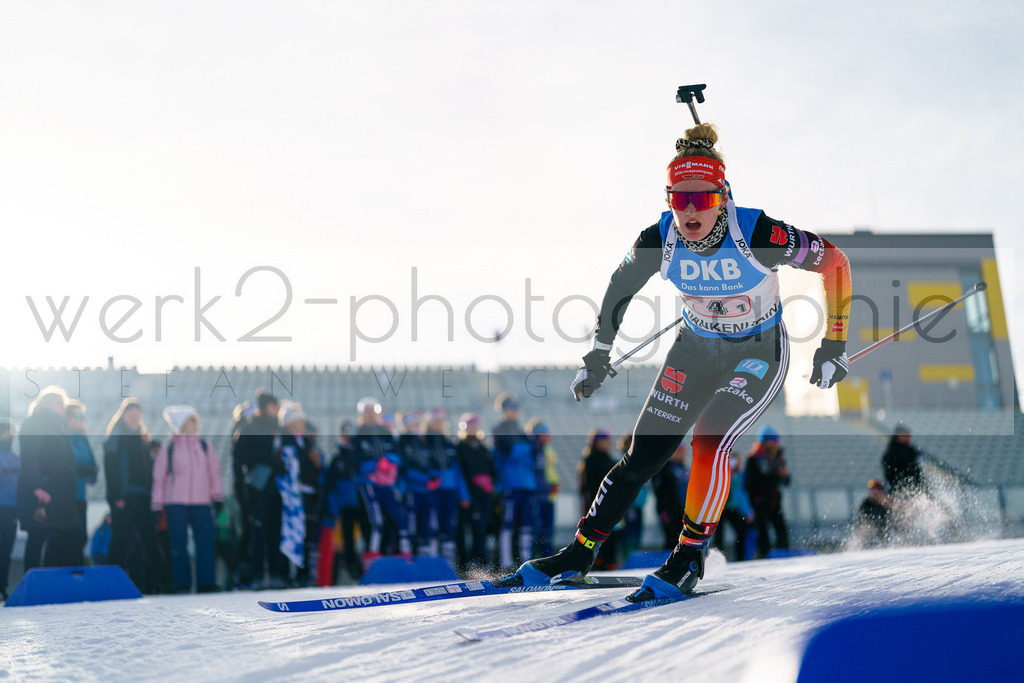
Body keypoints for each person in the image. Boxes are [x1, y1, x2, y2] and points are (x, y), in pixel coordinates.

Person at [501, 122, 852, 599]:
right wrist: (599, 353)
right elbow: (620, 286)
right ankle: (580, 552)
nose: (690, 210)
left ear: (723, 197)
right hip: (695, 349)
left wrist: (833, 344)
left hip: (757, 351)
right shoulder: (660, 237)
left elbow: (835, 262)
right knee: (642, 456)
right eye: (678, 198)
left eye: (702, 199)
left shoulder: (760, 232)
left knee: (709, 437)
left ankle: (689, 556)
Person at [151, 405, 223, 593]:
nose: (196, 424)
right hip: (175, 503)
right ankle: (181, 583)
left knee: (205, 541)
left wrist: (218, 496)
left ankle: (206, 582)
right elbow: (159, 477)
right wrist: (156, 504)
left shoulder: (205, 446)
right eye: (192, 420)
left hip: (201, 502)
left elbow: (215, 472)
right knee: (178, 543)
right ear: (183, 423)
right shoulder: (169, 449)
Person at [104, 398, 170, 593]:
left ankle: (164, 582)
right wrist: (116, 495)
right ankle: (110, 584)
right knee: (121, 540)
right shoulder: (116, 436)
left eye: (138, 415)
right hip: (125, 496)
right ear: (123, 416)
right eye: (131, 414)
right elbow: (111, 467)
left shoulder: (144, 440)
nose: (135, 418)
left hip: (144, 497)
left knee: (150, 540)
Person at [18, 387, 81, 571]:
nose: (63, 408)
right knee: (38, 538)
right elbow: (29, 457)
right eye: (60, 403)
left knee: (61, 539)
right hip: (42, 493)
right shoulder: (35, 424)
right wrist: (36, 486)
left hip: (59, 494)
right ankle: (32, 582)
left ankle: (55, 581)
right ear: (49, 403)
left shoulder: (59, 427)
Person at [232, 392, 287, 589]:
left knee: (275, 532)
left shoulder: (280, 428)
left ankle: (276, 574)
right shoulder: (250, 427)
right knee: (258, 533)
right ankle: (255, 576)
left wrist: (280, 464)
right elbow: (239, 456)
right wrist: (265, 458)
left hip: (278, 488)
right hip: (258, 487)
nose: (278, 408)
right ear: (266, 406)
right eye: (275, 405)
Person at [353, 397, 410, 569]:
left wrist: (390, 461)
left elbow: (398, 455)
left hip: (388, 485)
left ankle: (405, 556)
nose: (371, 415)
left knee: (400, 518)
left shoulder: (386, 433)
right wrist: (374, 466)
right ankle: (372, 560)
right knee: (376, 521)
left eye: (373, 412)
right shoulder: (358, 435)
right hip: (369, 484)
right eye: (367, 412)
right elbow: (354, 462)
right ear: (362, 415)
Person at [491, 394, 540, 570]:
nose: (514, 412)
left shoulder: (520, 431)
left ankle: (525, 562)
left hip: (527, 485)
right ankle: (506, 563)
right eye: (510, 408)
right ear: (503, 410)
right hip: (509, 485)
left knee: (526, 524)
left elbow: (532, 455)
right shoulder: (499, 430)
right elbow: (509, 453)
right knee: (508, 524)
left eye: (515, 408)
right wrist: (524, 451)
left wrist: (521, 452)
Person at [277, 402, 321, 586]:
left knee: (310, 534)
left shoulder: (308, 442)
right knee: (294, 533)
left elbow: (317, 470)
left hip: (310, 495)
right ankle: (292, 575)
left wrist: (318, 463)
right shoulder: (284, 441)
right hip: (293, 498)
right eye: (298, 420)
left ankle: (307, 574)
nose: (302, 424)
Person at [423, 408, 468, 569]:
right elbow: (422, 467)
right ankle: (432, 565)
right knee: (433, 528)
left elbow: (457, 472)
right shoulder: (424, 442)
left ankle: (447, 566)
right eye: (435, 420)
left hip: (450, 492)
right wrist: (428, 480)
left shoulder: (449, 444)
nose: (439, 424)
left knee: (449, 528)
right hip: (432, 492)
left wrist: (464, 495)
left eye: (441, 421)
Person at [456, 413, 496, 571]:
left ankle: (482, 561)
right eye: (470, 426)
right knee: (471, 528)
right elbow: (461, 473)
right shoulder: (460, 447)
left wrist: (488, 481)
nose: (473, 429)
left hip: (484, 495)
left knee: (482, 528)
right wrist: (467, 493)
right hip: (470, 496)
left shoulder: (483, 447)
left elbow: (491, 470)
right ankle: (471, 562)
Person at [744, 426, 791, 558]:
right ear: (766, 442)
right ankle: (764, 555)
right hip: (759, 501)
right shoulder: (753, 458)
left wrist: (784, 475)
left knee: (781, 527)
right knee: (762, 529)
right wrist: (776, 478)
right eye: (774, 440)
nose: (777, 444)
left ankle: (783, 552)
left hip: (774, 500)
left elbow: (786, 481)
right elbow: (750, 483)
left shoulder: (778, 458)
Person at [578, 429, 620, 570]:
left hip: (610, 504)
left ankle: (610, 564)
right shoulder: (591, 459)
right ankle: (596, 564)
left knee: (611, 536)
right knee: (597, 535)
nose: (609, 443)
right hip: (597, 504)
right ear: (597, 442)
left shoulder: (608, 459)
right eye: (605, 441)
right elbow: (588, 486)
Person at [65, 400, 97, 565]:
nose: (82, 419)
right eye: (79, 415)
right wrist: (78, 470)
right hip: (65, 497)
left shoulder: (83, 440)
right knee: (68, 538)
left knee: (81, 537)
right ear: (68, 417)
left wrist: (91, 472)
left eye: (83, 415)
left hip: (80, 496)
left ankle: (76, 575)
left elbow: (92, 464)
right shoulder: (63, 438)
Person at [527, 419, 560, 557]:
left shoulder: (547, 450)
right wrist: (547, 487)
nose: (548, 435)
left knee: (548, 531)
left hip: (548, 497)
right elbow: (535, 474)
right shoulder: (533, 450)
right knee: (537, 531)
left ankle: (547, 558)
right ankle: (535, 559)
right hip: (538, 497)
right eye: (544, 432)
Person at [713, 453, 754, 562]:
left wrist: (748, 511)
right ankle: (717, 558)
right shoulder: (722, 474)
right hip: (720, 509)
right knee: (718, 534)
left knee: (741, 530)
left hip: (733, 508)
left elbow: (742, 495)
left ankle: (741, 557)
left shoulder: (741, 476)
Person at [651, 444, 689, 549]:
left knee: (681, 537)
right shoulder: (664, 468)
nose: (683, 455)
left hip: (681, 508)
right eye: (680, 452)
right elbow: (658, 489)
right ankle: (667, 561)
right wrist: (663, 508)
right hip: (667, 509)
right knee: (671, 537)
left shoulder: (683, 468)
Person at [0, 420, 20, 600]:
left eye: (12, 432)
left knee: (6, 551)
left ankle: (2, 588)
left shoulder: (15, 457)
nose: (11, 435)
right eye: (7, 432)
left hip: (11, 510)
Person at [882, 423, 924, 495]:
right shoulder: (893, 452)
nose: (909, 438)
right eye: (906, 435)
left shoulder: (909, 450)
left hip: (913, 487)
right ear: (899, 436)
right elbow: (892, 474)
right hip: (903, 490)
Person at [851, 478, 894, 548]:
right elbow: (861, 521)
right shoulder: (865, 504)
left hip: (885, 536)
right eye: (873, 491)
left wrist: (888, 503)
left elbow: (895, 517)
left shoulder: (887, 503)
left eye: (878, 491)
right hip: (869, 538)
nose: (875, 493)